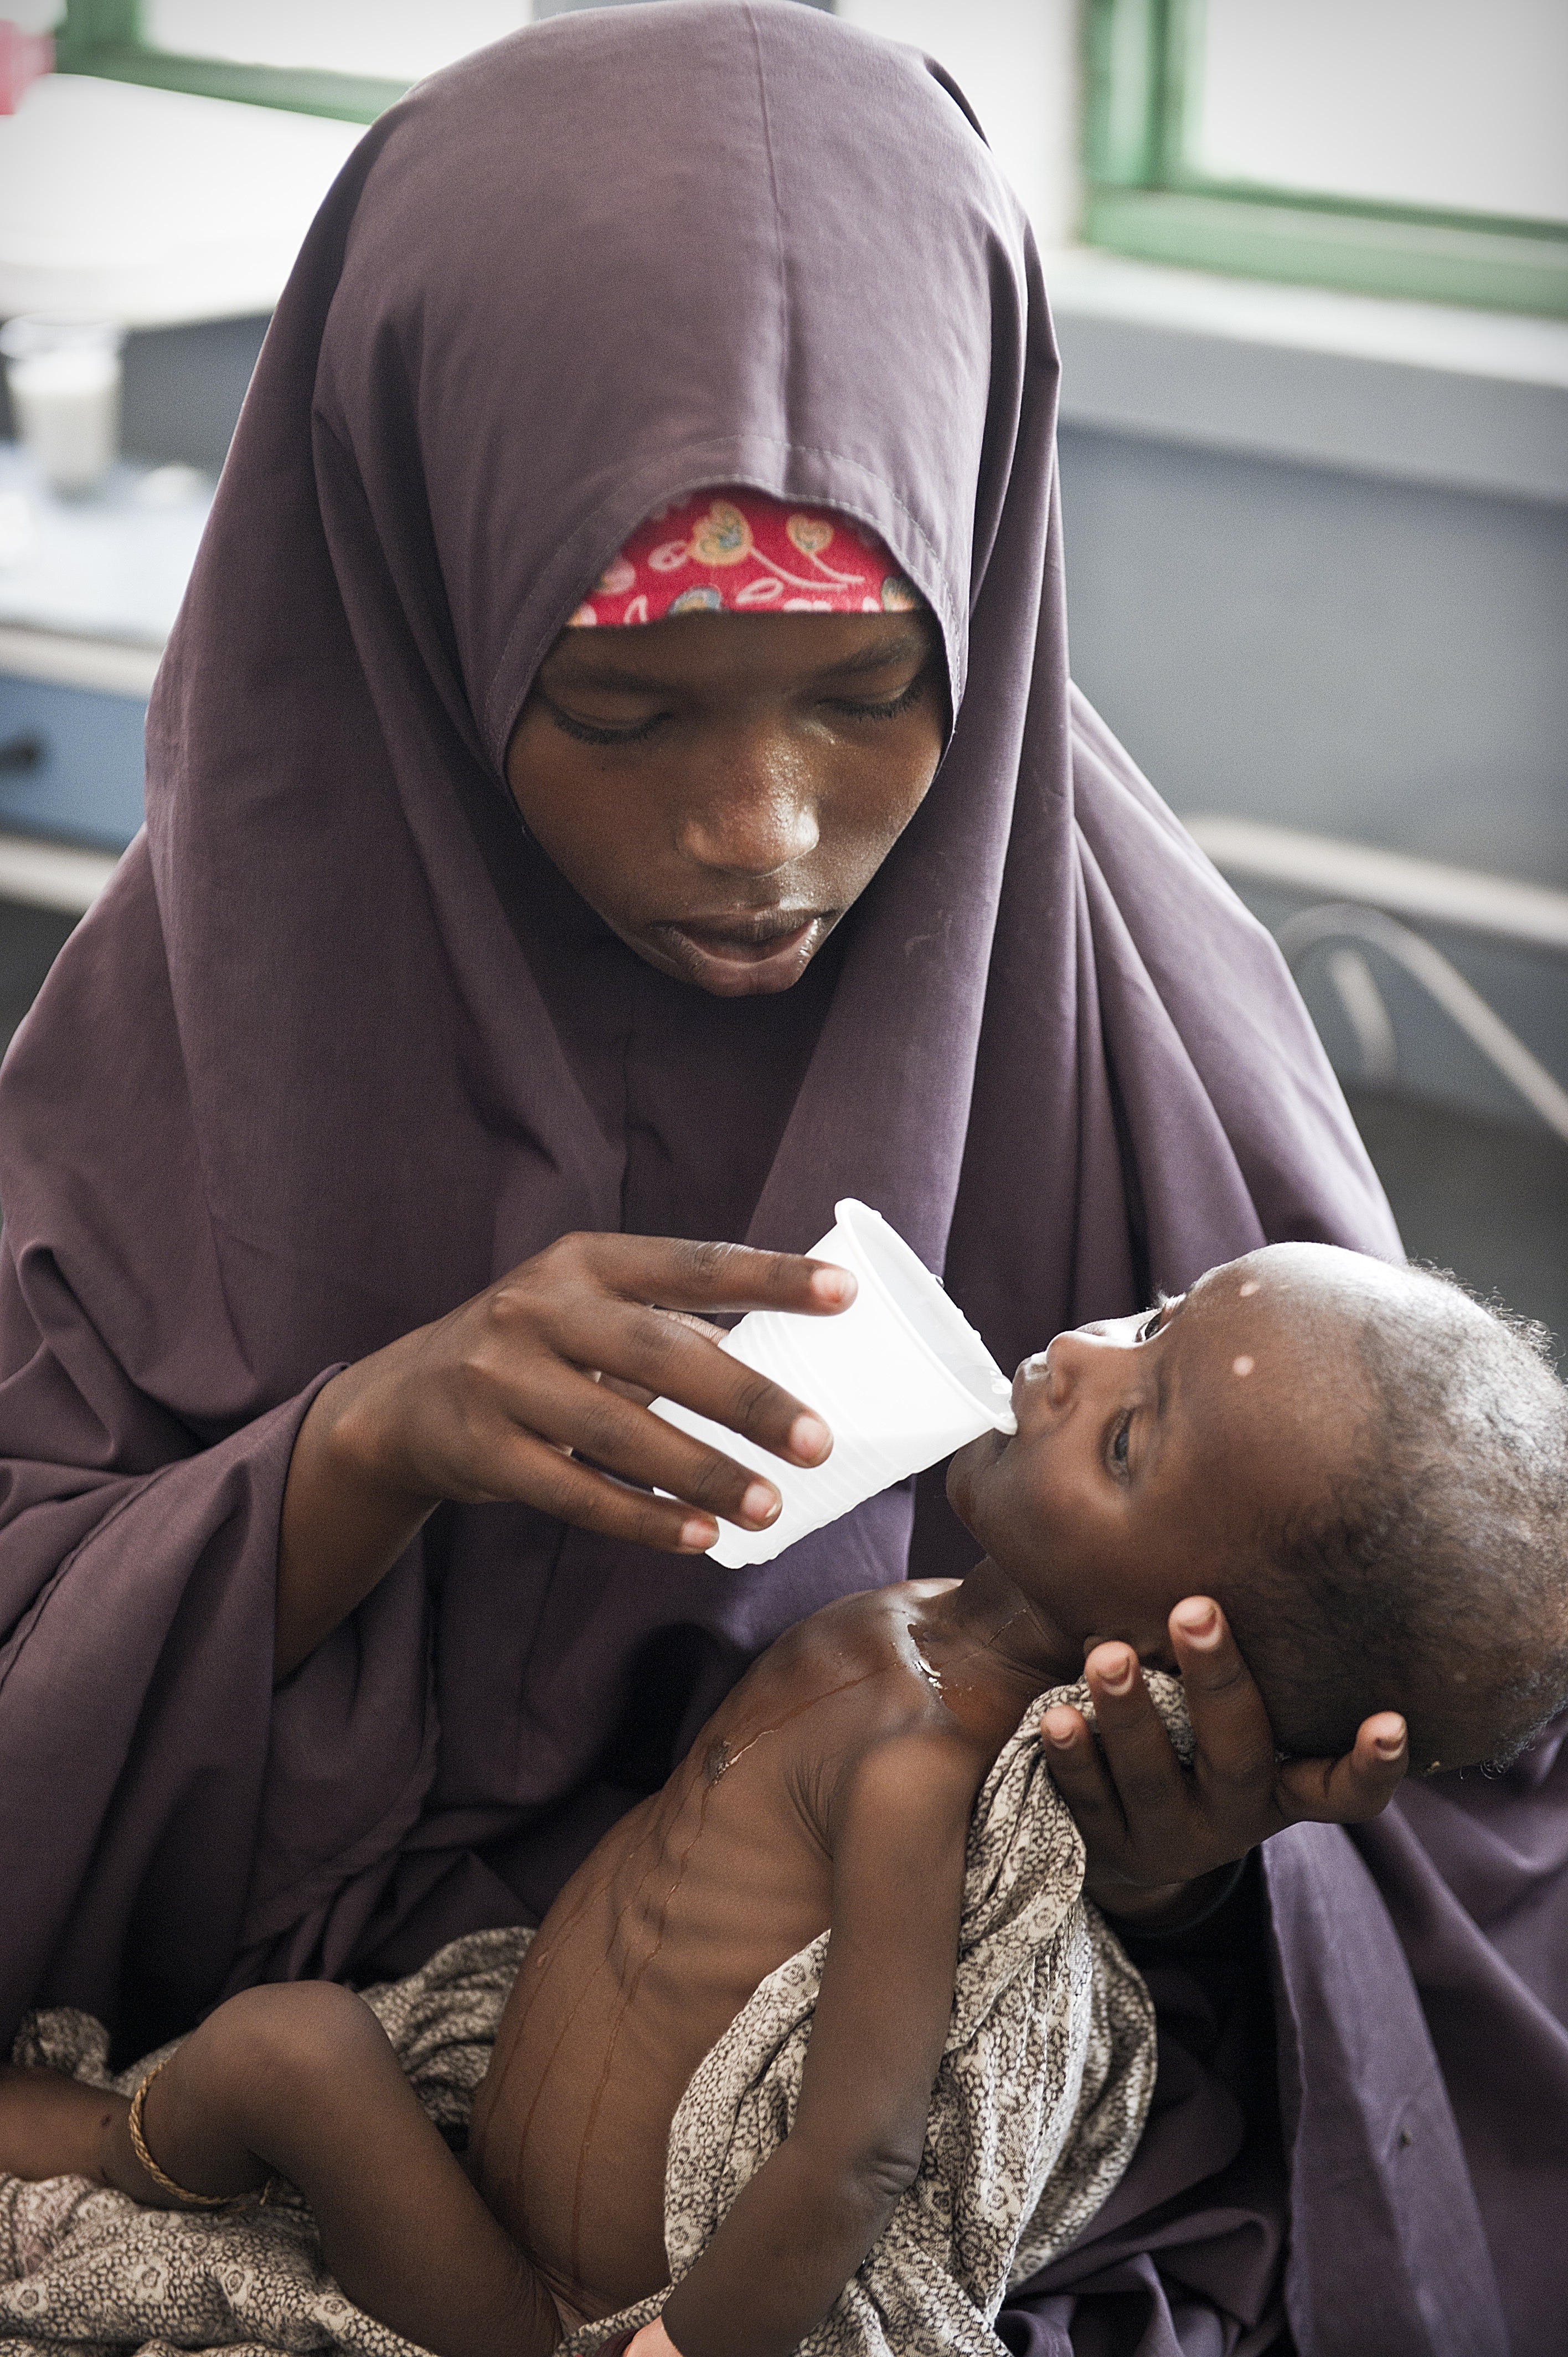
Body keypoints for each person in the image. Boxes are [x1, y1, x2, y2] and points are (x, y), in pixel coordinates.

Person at [0, 8, 1561, 2354]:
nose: (766, 835)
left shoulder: (1146, 1052)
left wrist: (1157, 1875)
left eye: (871, 692)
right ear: (423, 623)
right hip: (336, 2022)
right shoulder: (189, 1043)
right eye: (628, 714)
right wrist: (359, 1448)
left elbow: (1469, 1751)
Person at [3, 1243, 1565, 2357]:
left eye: (1132, 1436)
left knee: (295, 2046)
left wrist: (684, 2349)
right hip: (499, 2152)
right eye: (1151, 1319)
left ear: (1177, 1642)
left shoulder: (919, 1775)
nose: (1078, 1358)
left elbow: (856, 2156)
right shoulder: (913, 1624)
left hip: (546, 2313)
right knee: (340, 2036)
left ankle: (122, 2149)